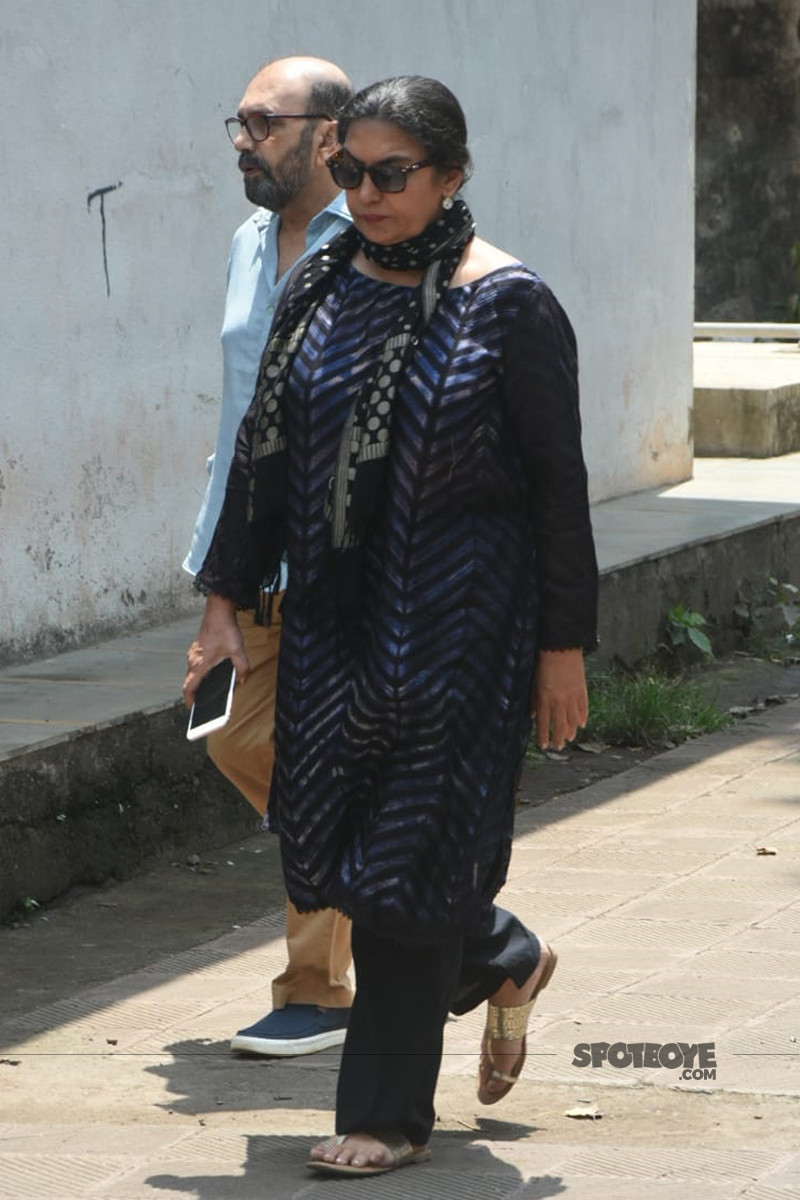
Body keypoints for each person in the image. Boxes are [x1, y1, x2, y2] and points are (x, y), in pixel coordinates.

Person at [187, 75, 598, 1178]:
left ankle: (383, 1114)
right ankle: (500, 953)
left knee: (408, 861)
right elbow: (259, 464)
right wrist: (221, 608)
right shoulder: (319, 287)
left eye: (391, 175)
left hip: (462, 631)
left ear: (451, 176)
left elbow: (559, 489)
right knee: (341, 852)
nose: (365, 194)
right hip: (330, 626)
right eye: (352, 172)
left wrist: (562, 648)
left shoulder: (506, 303)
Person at [182, 55, 357, 1058]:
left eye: (262, 122)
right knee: (237, 739)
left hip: (342, 558)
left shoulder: (377, 239)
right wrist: (215, 580)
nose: (243, 142)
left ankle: (315, 988)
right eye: (236, 123)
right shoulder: (251, 241)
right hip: (248, 557)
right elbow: (236, 417)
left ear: (328, 134)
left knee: (321, 760)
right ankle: (451, 928)